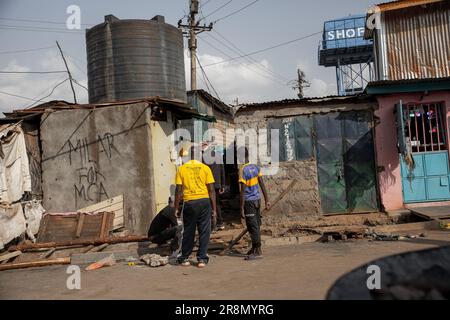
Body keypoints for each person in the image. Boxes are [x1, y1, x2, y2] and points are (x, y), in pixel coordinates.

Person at [174, 145, 217, 268]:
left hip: (190, 203)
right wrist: (214, 209)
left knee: (189, 231)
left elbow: (178, 190)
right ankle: (202, 259)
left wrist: (176, 208)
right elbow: (212, 190)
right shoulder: (205, 168)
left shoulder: (182, 169)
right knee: (204, 231)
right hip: (204, 202)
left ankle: (185, 258)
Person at [239, 147, 270, 259]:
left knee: (253, 226)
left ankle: (258, 251)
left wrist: (241, 207)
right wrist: (267, 200)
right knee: (256, 224)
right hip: (258, 200)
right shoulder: (255, 167)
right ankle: (254, 248)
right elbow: (262, 184)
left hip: (249, 201)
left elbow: (242, 190)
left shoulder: (242, 170)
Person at [207, 148, 226, 231]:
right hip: (217, 184)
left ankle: (213, 224)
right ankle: (219, 222)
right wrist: (222, 185)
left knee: (210, 204)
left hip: (209, 184)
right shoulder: (218, 157)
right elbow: (222, 171)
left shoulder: (206, 158)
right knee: (216, 203)